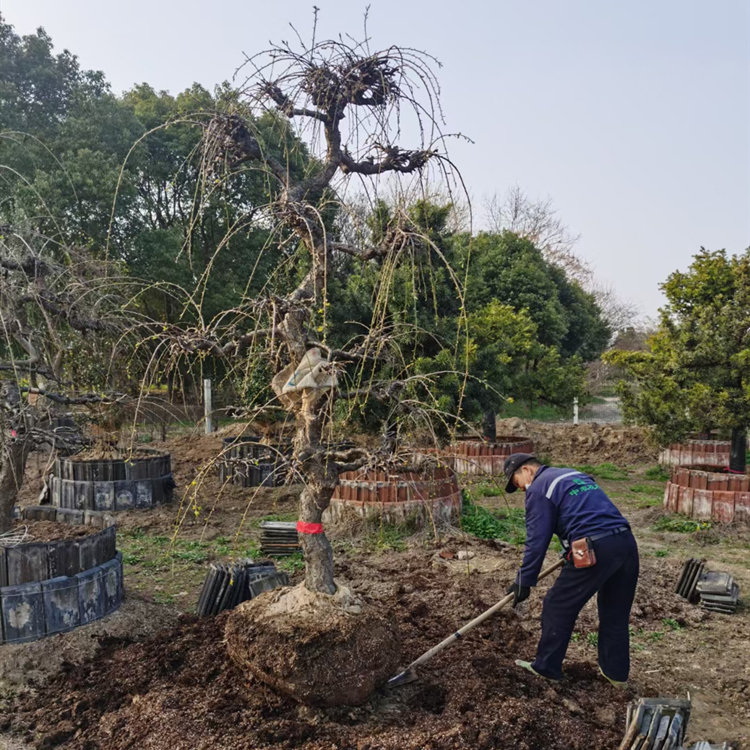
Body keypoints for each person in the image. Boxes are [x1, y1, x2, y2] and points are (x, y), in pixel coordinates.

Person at [502, 452, 639, 686]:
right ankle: (615, 676)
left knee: (557, 604)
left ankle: (546, 669)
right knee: (614, 614)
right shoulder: (574, 475)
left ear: (527, 471)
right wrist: (569, 552)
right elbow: (584, 514)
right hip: (625, 543)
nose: (523, 490)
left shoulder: (539, 488)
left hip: (595, 547)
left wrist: (524, 580)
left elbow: (537, 540)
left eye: (518, 484)